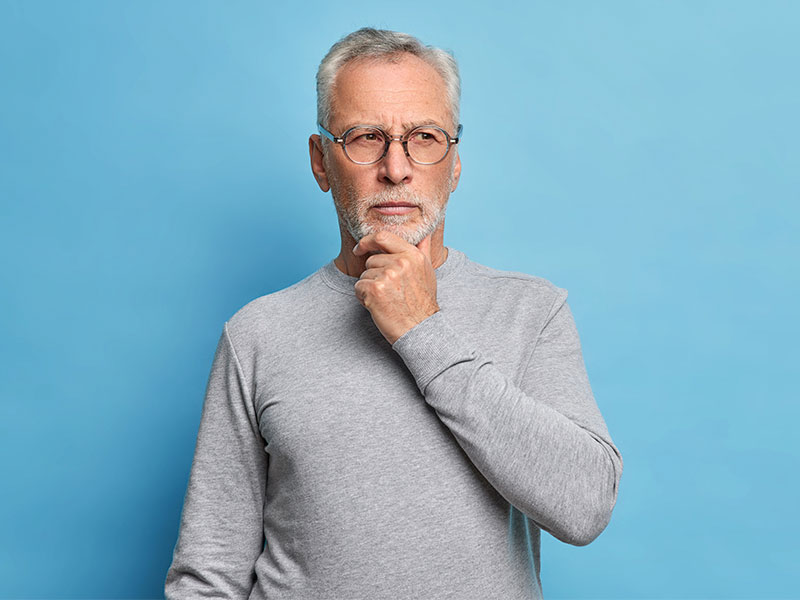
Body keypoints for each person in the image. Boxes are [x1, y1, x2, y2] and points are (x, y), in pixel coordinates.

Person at [164, 27, 623, 600]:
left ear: (454, 163)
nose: (396, 167)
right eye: (366, 137)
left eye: (424, 137)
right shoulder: (257, 334)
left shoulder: (532, 312)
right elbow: (208, 574)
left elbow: (586, 507)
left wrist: (422, 329)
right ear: (321, 162)